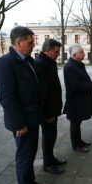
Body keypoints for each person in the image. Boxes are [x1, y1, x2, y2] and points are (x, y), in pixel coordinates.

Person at [0, 26, 49, 184]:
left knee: (30, 152)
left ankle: (29, 181)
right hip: (23, 120)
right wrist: (18, 124)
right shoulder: (6, 63)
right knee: (25, 155)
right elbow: (7, 97)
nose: (34, 45)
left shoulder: (28, 60)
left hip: (33, 115)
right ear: (18, 43)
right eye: (31, 42)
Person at [35, 39, 67, 174]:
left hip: (52, 107)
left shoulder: (49, 62)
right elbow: (43, 91)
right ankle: (47, 164)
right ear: (47, 51)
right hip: (47, 110)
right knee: (48, 136)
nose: (58, 54)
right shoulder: (41, 64)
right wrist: (48, 113)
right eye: (56, 51)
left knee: (52, 135)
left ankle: (51, 158)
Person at [63, 44, 92, 152]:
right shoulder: (70, 67)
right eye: (81, 52)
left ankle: (79, 141)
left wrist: (90, 83)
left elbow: (82, 80)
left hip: (80, 101)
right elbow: (75, 85)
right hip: (75, 102)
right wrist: (91, 86)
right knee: (75, 124)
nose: (84, 53)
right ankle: (76, 144)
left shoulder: (78, 64)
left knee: (78, 123)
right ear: (74, 54)